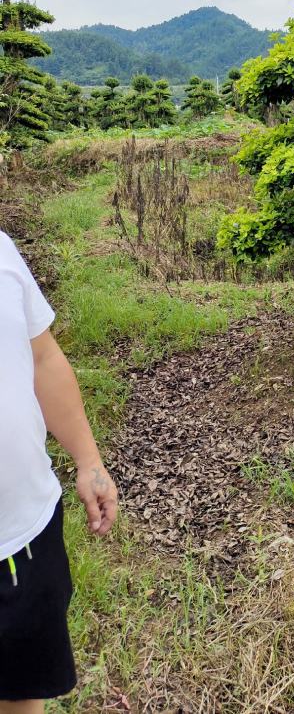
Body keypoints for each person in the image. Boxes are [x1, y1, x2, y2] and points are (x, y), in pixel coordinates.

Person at [0, 229, 117, 712]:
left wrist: (89, 461)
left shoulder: (1, 250)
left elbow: (43, 358)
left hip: (25, 534)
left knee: (24, 690)